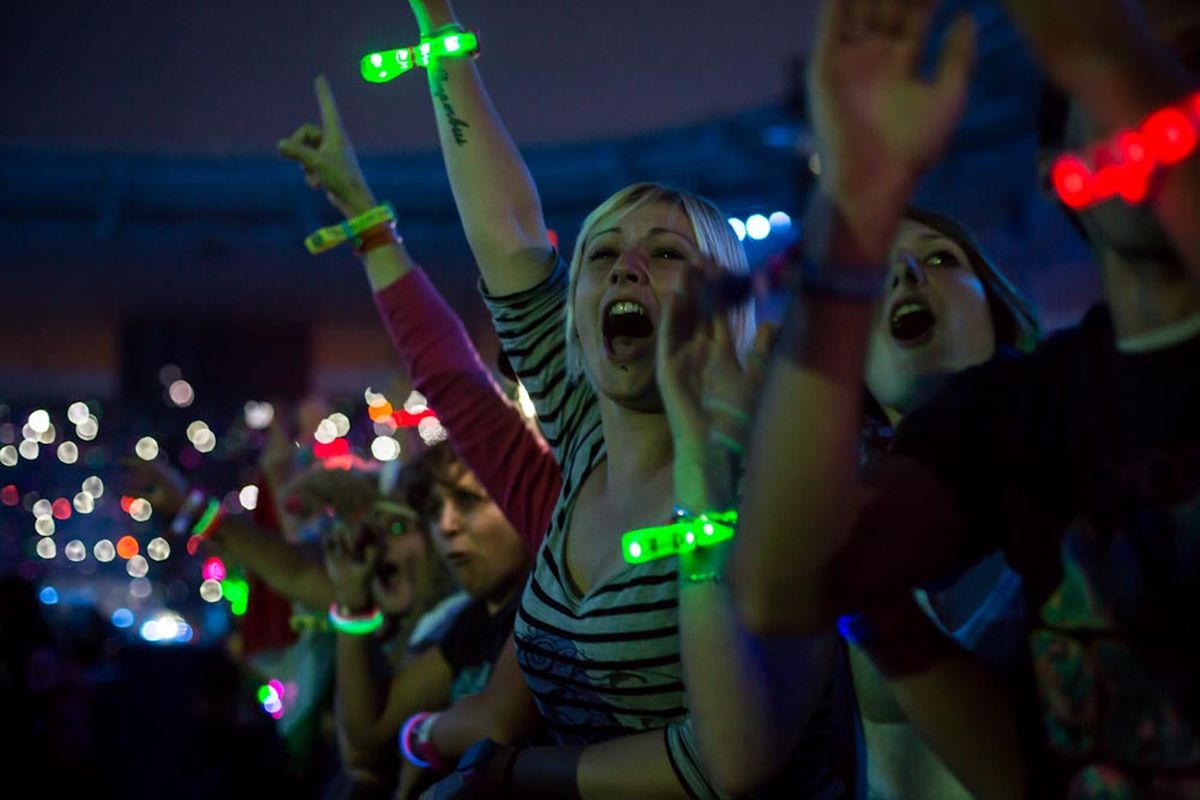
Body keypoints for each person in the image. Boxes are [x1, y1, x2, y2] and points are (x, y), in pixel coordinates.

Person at [731, 0, 1200, 796]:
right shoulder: (1030, 412)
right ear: (1066, 167)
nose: (1148, 94)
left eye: (1175, 77)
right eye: (1127, 74)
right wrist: (853, 207)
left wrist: (1112, 61)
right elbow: (785, 586)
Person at [402, 2, 841, 796]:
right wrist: (441, 36)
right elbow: (506, 229)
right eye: (602, 253)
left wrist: (515, 776)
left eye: (665, 252)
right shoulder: (583, 429)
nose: (625, 267)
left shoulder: (772, 478)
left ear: (731, 304)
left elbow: (728, 763)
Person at [277, 76, 563, 797]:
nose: (444, 527)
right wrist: (367, 221)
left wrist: (428, 742)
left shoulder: (727, 499)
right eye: (605, 253)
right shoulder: (557, 524)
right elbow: (452, 377)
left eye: (665, 252)